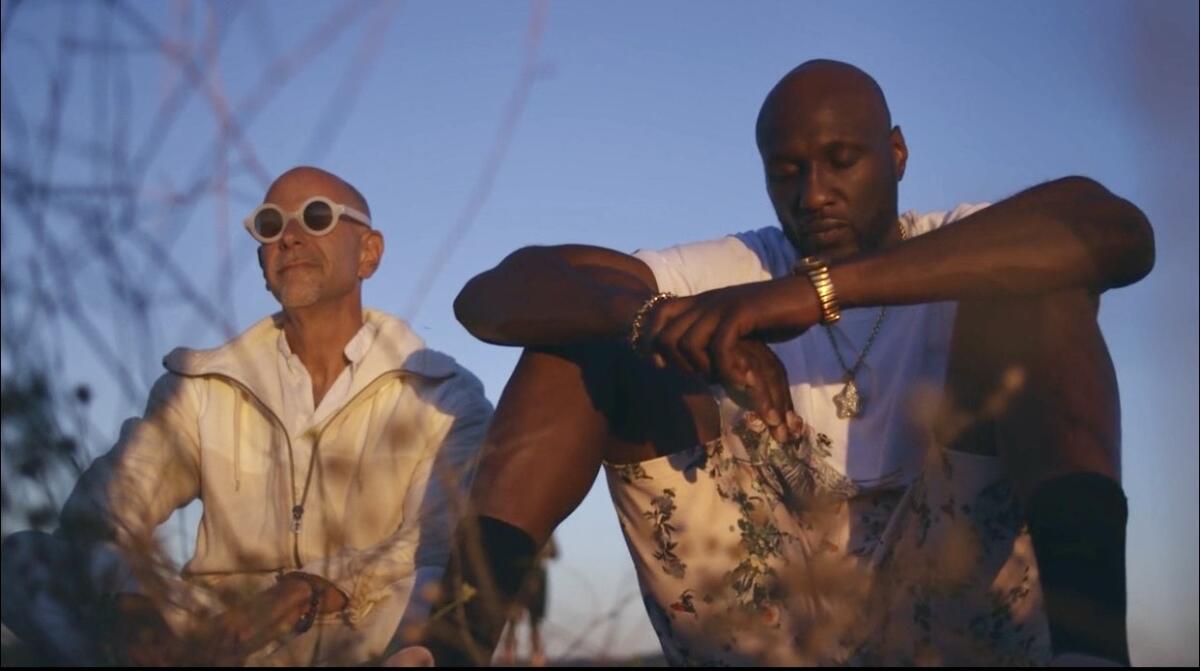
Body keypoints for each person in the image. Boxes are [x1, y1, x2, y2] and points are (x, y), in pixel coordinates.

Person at [410, 60, 1153, 665]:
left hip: (952, 603)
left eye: (841, 161)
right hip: (769, 620)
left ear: (896, 153)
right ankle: (446, 647)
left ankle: (1092, 654)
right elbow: (492, 296)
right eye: (787, 170)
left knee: (1039, 295)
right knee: (583, 335)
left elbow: (1117, 231)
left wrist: (812, 294)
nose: (814, 194)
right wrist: (647, 320)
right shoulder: (739, 264)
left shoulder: (955, 240)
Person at [0, 166, 494, 666]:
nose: (291, 237)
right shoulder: (203, 387)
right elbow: (101, 515)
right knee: (22, 559)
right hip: (212, 629)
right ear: (261, 261)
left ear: (369, 253)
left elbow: (431, 541)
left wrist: (303, 592)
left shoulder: (445, 397)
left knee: (434, 584)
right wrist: (135, 604)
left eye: (316, 217)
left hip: (351, 624)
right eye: (270, 225)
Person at [500, 536, 557, 667]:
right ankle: (510, 657)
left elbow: (554, 553)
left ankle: (534, 659)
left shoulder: (545, 533)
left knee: (531, 623)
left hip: (532, 577)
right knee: (514, 622)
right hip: (522, 576)